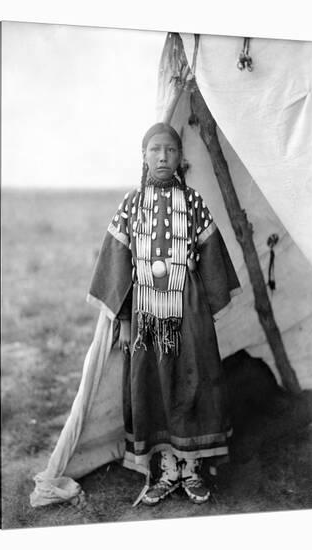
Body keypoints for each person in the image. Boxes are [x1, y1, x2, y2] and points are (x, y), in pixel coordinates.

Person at [87, 122, 241, 506]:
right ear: (144, 155)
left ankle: (193, 470)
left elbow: (212, 260)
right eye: (155, 150)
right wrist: (123, 320)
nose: (162, 157)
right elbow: (117, 264)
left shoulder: (193, 203)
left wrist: (205, 313)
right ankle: (167, 468)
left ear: (180, 158)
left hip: (187, 309)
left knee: (194, 379)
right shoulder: (131, 204)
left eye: (170, 150)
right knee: (152, 382)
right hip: (144, 313)